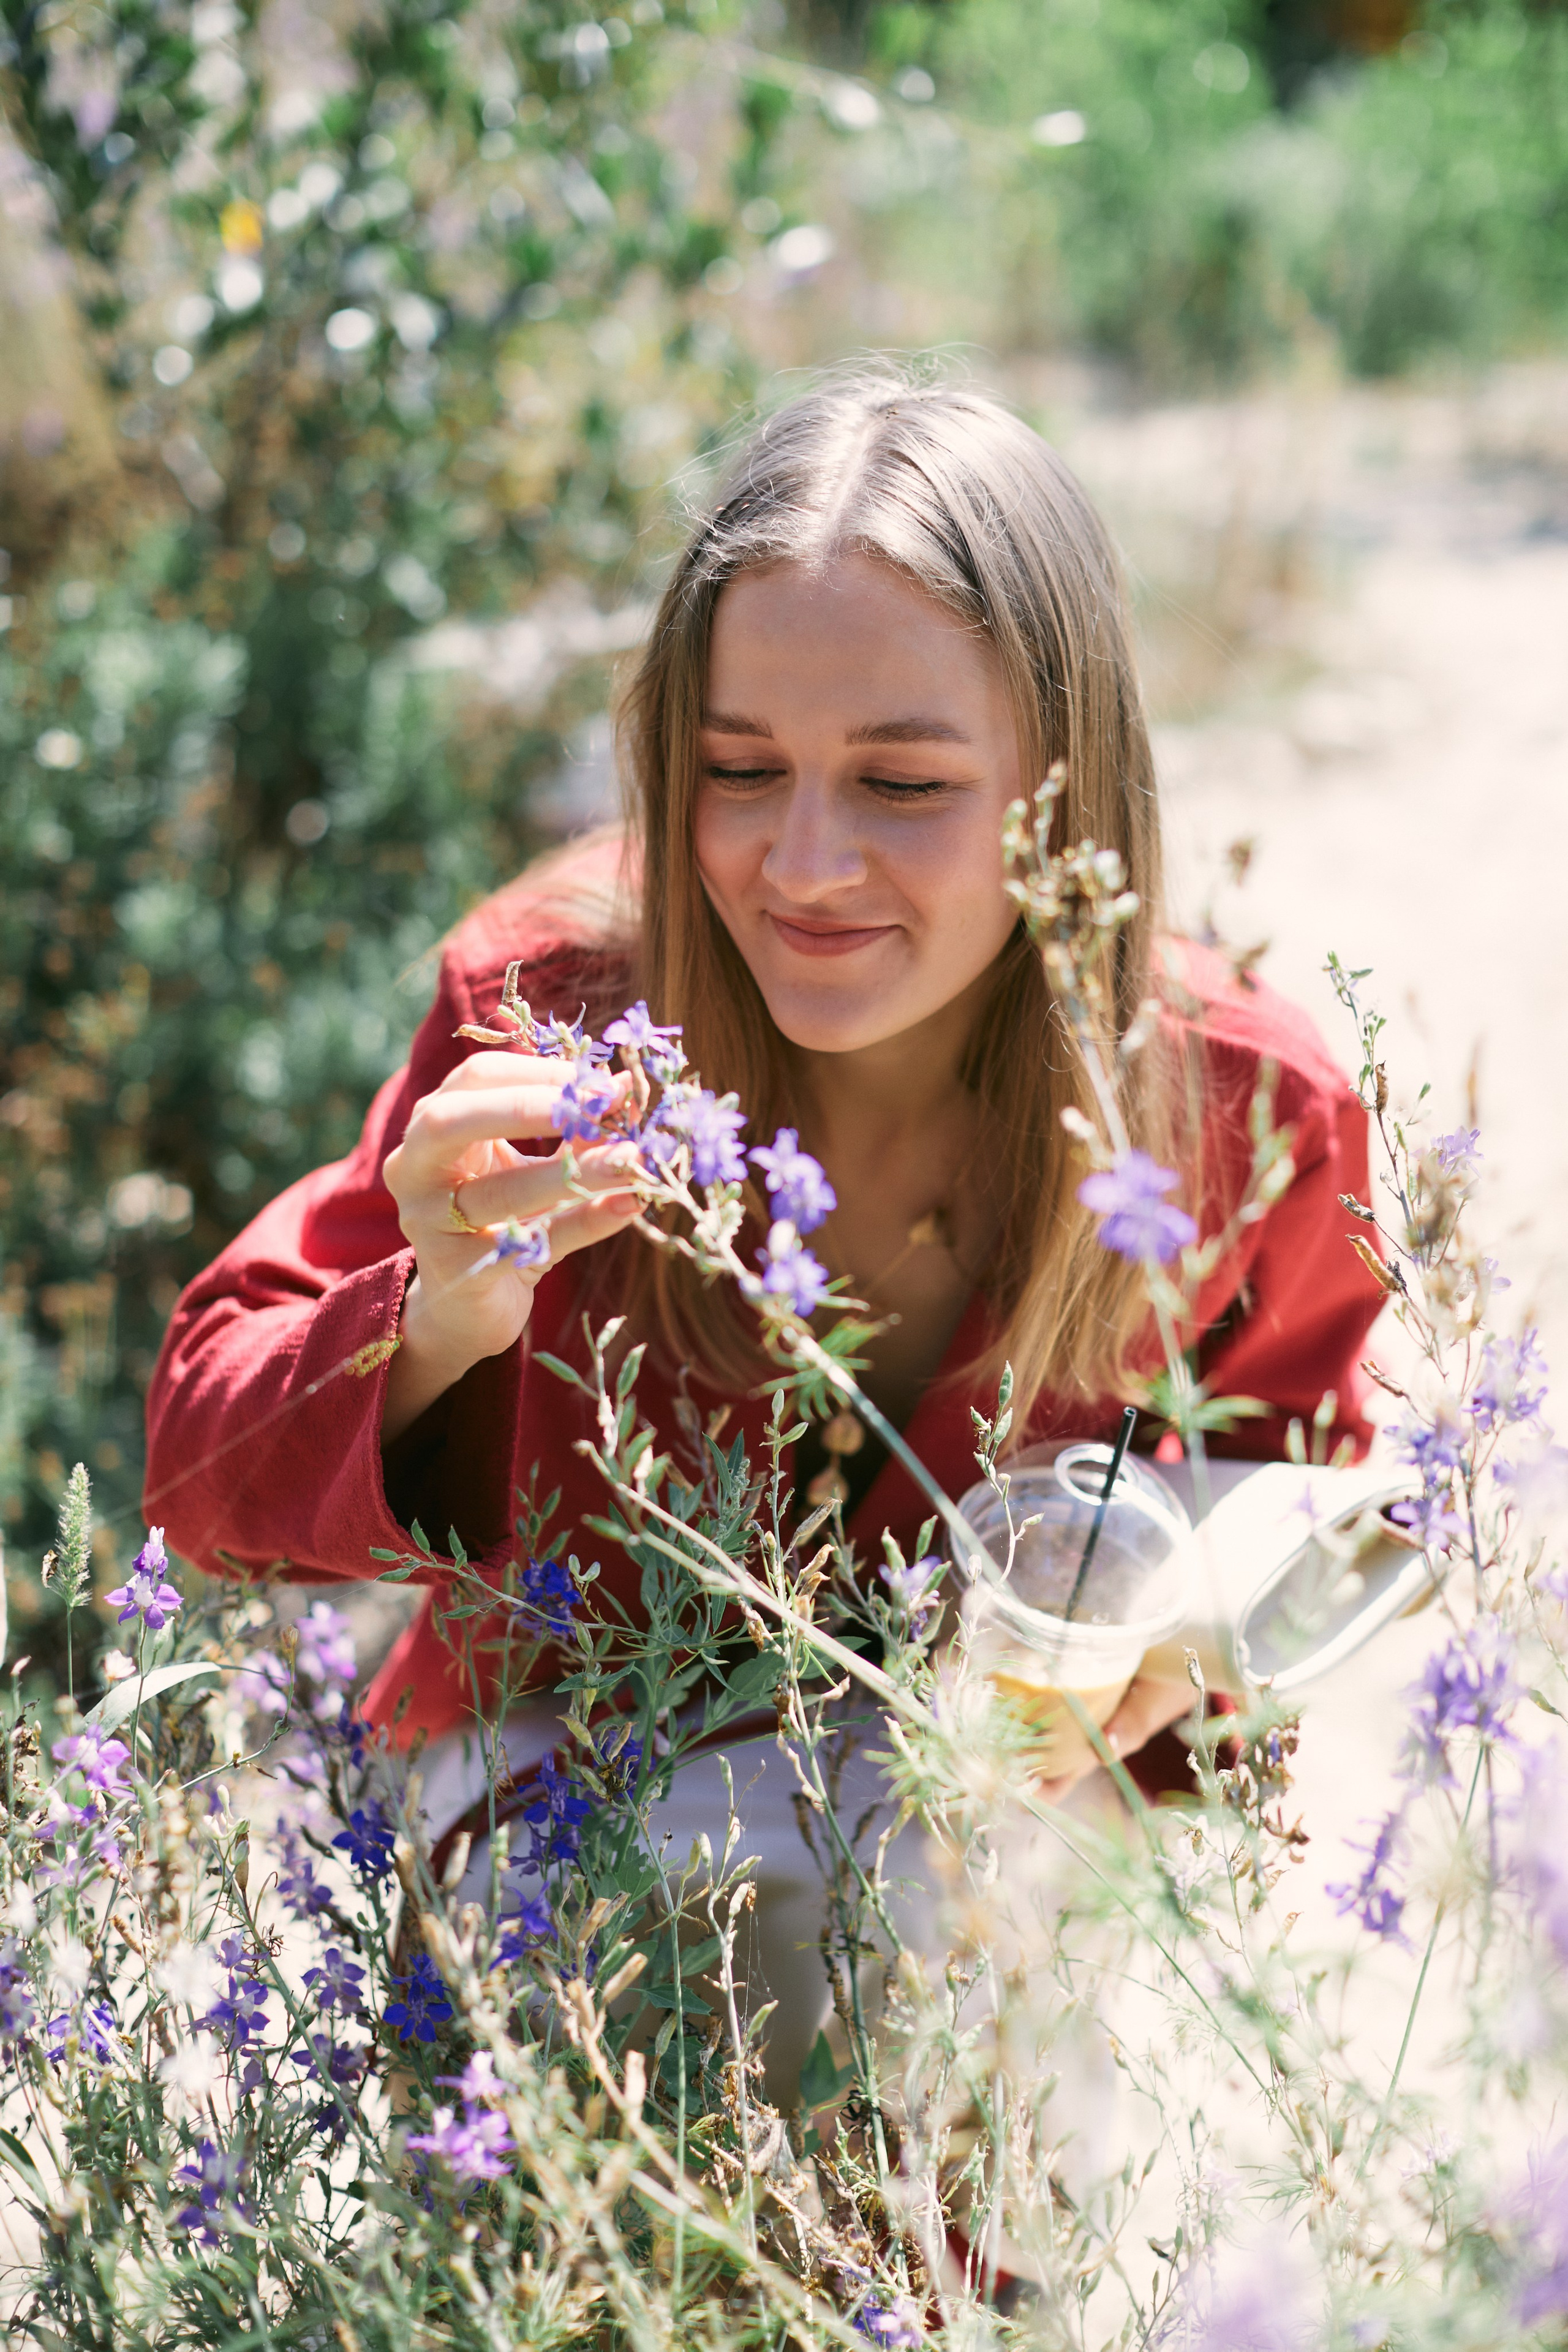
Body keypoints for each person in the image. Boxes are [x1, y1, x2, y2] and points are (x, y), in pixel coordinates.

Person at [146, 372, 1384, 2079]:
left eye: (901, 783)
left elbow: (1323, 1507)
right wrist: (438, 1315)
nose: (803, 862)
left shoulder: (1245, 1110)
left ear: (1065, 787)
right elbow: (199, 1477)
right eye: (740, 769)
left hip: (986, 1909)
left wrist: (1184, 1627)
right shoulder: (554, 1013)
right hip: (562, 1865)